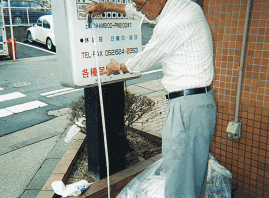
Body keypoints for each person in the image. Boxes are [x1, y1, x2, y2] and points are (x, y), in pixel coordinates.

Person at [85, 0, 217, 197]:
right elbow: (143, 13)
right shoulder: (186, 7)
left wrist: (120, 67)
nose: (138, 9)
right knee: (192, 173)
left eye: (139, 3)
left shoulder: (171, 24)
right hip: (198, 103)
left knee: (179, 174)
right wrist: (107, 7)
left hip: (186, 107)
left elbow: (145, 58)